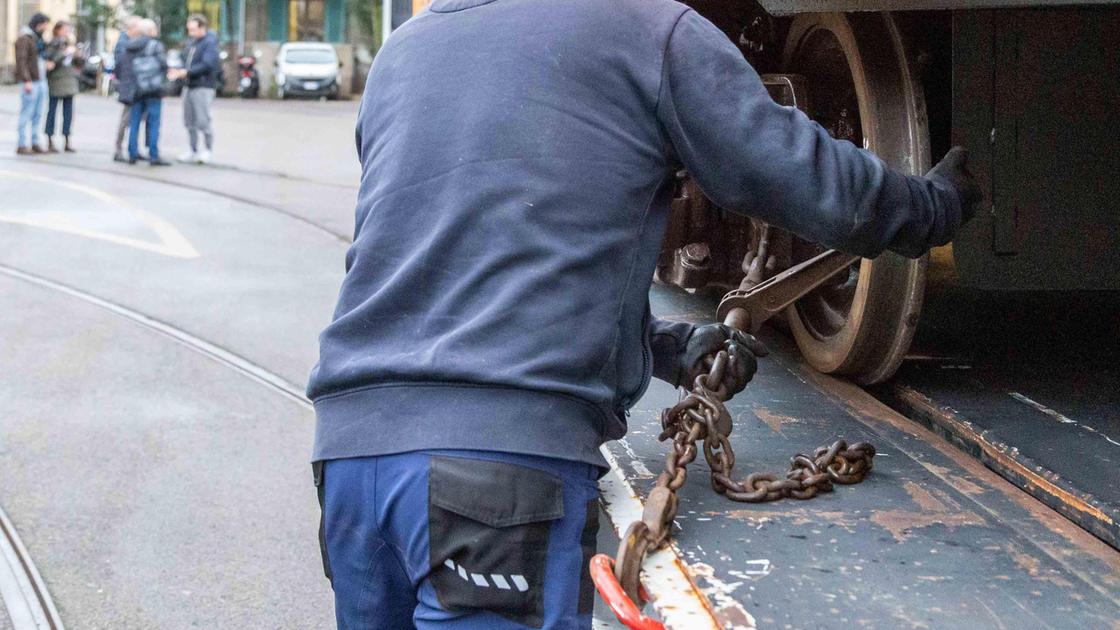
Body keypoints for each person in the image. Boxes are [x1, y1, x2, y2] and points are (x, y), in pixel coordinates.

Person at [307, 0, 983, 627]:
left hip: (351, 463)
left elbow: (454, 259)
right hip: (496, 475)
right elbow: (809, 183)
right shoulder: (645, 30)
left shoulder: (407, 48)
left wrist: (664, 347)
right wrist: (933, 206)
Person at [168, 14, 220, 164]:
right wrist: (177, 69)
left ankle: (208, 150)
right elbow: (184, 60)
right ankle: (192, 149)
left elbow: (207, 64)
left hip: (203, 86)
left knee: (203, 119)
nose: (191, 33)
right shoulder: (192, 43)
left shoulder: (209, 43)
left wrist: (187, 72)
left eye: (193, 29)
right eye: (189, 30)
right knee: (189, 120)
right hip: (188, 86)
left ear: (202, 28)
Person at [122, 19, 170, 166]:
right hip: (152, 89)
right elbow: (163, 65)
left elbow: (124, 67)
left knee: (134, 122)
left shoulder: (130, 45)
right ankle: (153, 155)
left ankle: (132, 153)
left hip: (136, 90)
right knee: (154, 122)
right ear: (150, 31)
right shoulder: (155, 45)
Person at [14, 13, 51, 155]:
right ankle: (22, 144)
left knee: (37, 114)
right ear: (39, 23)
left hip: (40, 80)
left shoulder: (37, 38)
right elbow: (21, 61)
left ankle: (35, 142)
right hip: (31, 82)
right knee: (26, 113)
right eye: (45, 25)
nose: (46, 28)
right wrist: (26, 80)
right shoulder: (25, 38)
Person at [43, 20, 81, 153]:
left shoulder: (70, 44)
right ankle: (50, 140)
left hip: (69, 82)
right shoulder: (52, 44)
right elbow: (50, 63)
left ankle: (67, 140)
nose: (67, 32)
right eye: (65, 29)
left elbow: (79, 64)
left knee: (68, 114)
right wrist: (64, 53)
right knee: (52, 112)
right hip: (56, 82)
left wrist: (77, 54)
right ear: (57, 30)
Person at [112, 16, 141, 162]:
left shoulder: (127, 41)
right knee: (126, 118)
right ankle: (118, 149)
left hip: (130, 84)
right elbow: (120, 65)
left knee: (132, 117)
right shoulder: (125, 43)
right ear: (132, 28)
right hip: (129, 85)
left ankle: (132, 147)